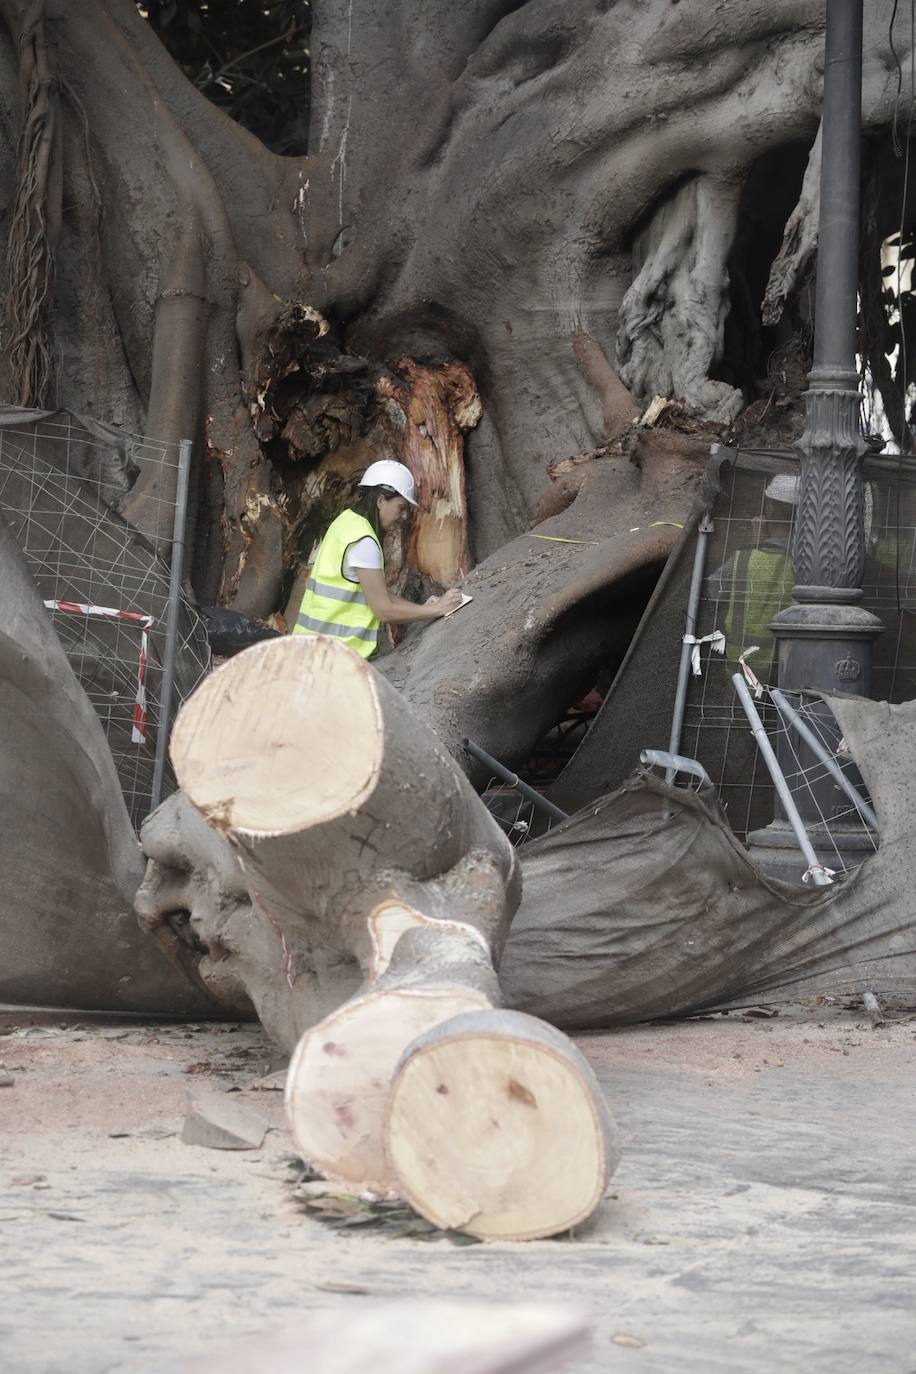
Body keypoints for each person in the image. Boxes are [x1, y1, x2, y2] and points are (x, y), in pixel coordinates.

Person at [293, 460, 464, 658]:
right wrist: (437, 610)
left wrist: (424, 608)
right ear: (381, 501)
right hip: (332, 660)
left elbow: (378, 595)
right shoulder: (364, 541)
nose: (403, 516)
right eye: (401, 507)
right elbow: (383, 610)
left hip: (310, 651)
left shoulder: (346, 521)